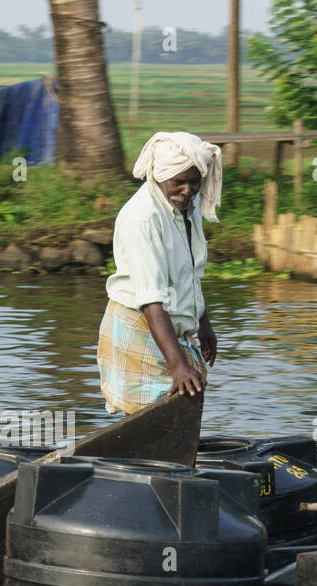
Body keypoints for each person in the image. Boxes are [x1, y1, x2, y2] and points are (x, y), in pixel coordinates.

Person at [98, 131, 221, 415]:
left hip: (167, 323)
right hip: (140, 322)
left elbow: (190, 272)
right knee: (153, 412)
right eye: (178, 182)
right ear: (159, 177)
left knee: (180, 404)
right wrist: (178, 365)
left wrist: (203, 324)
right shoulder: (143, 218)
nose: (188, 191)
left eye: (194, 183)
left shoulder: (187, 208)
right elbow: (152, 300)